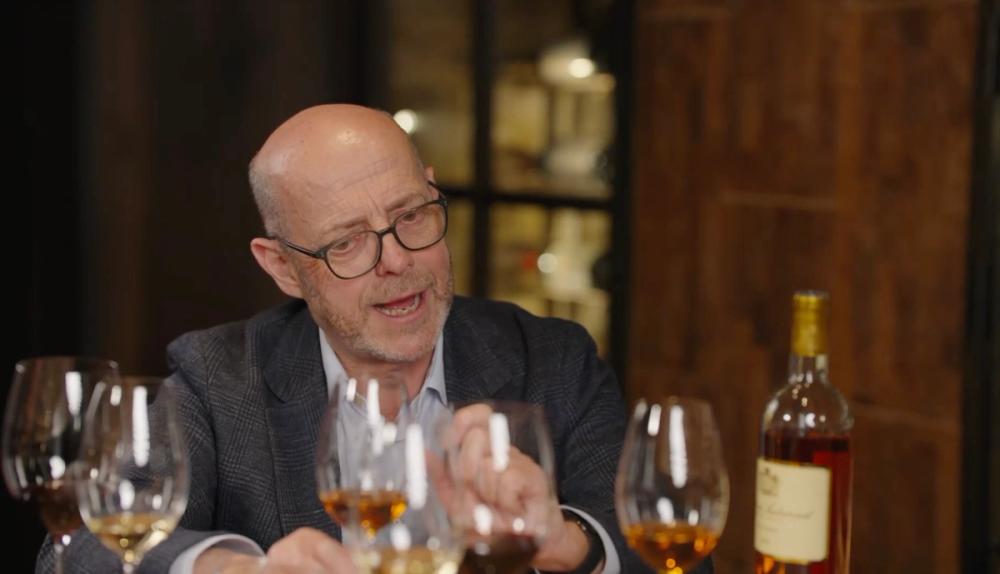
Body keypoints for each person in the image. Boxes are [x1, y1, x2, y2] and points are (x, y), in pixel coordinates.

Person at [37, 104, 712, 573]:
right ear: (282, 267)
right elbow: (77, 552)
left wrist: (566, 543)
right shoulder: (219, 380)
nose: (397, 262)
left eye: (411, 216)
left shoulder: (553, 360)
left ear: (433, 193)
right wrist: (235, 569)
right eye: (347, 243)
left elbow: (676, 559)